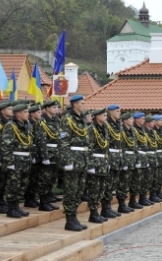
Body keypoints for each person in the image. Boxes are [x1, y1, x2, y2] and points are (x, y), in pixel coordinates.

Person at [59, 95, 90, 231]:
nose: (84, 105)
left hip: (82, 158)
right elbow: (63, 141)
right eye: (82, 103)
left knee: (79, 190)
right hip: (72, 157)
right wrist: (67, 160)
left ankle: (74, 217)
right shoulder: (67, 119)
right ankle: (69, 220)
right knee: (71, 191)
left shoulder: (82, 119)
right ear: (75, 105)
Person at [1, 103, 33, 218]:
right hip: (16, 160)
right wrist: (9, 162)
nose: (28, 114)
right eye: (25, 112)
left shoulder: (26, 125)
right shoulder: (11, 126)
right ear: (18, 113)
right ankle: (11, 208)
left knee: (22, 185)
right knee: (13, 185)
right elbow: (6, 145)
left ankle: (16, 207)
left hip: (25, 159)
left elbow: (29, 142)